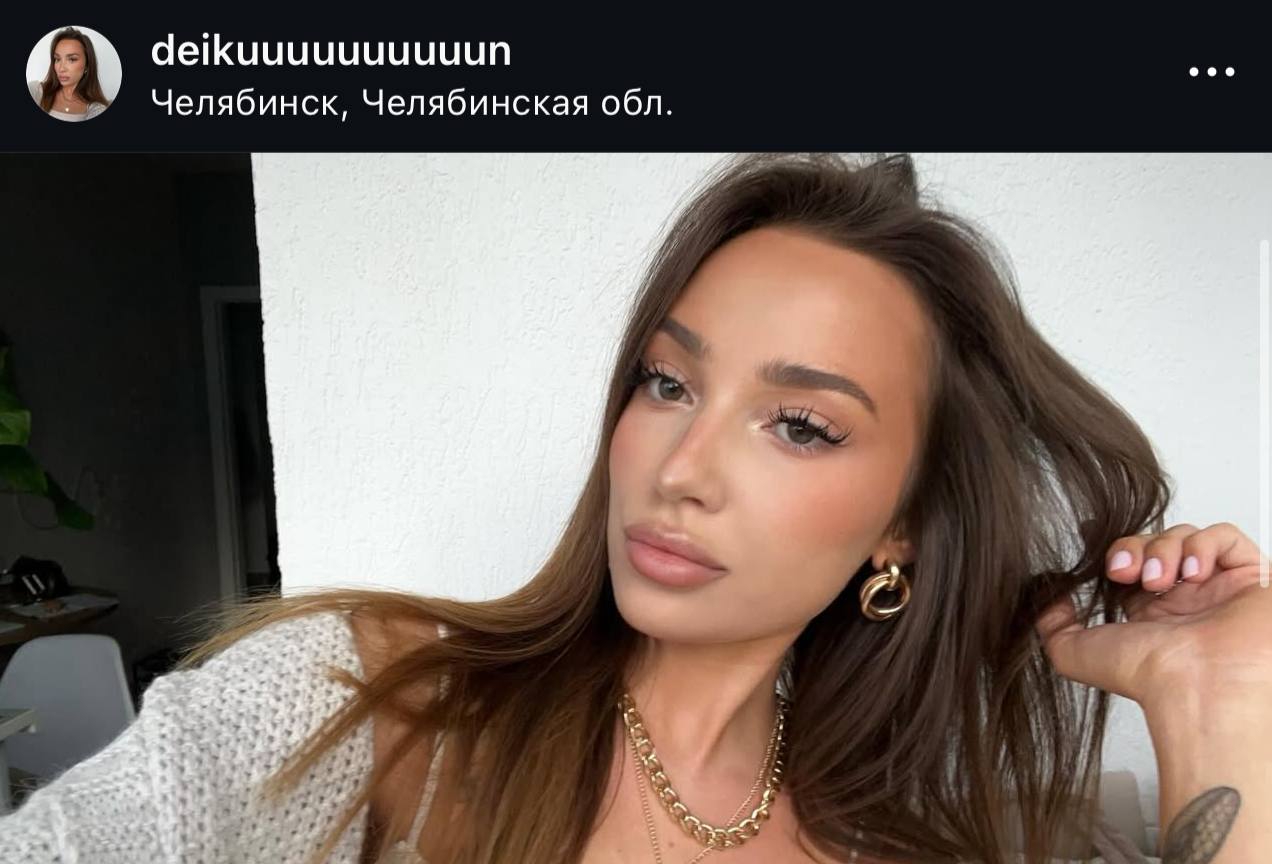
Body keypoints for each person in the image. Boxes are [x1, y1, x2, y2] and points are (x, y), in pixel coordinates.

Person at [1, 153, 1269, 864]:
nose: (680, 466)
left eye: (800, 423)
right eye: (668, 382)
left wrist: (1217, 703)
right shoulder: (364, 705)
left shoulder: (915, 840)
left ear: (901, 527)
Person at [28, 27, 111, 122]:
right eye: (57, 59)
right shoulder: (36, 91)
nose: (61, 68)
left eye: (72, 59)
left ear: (87, 65)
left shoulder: (96, 109)